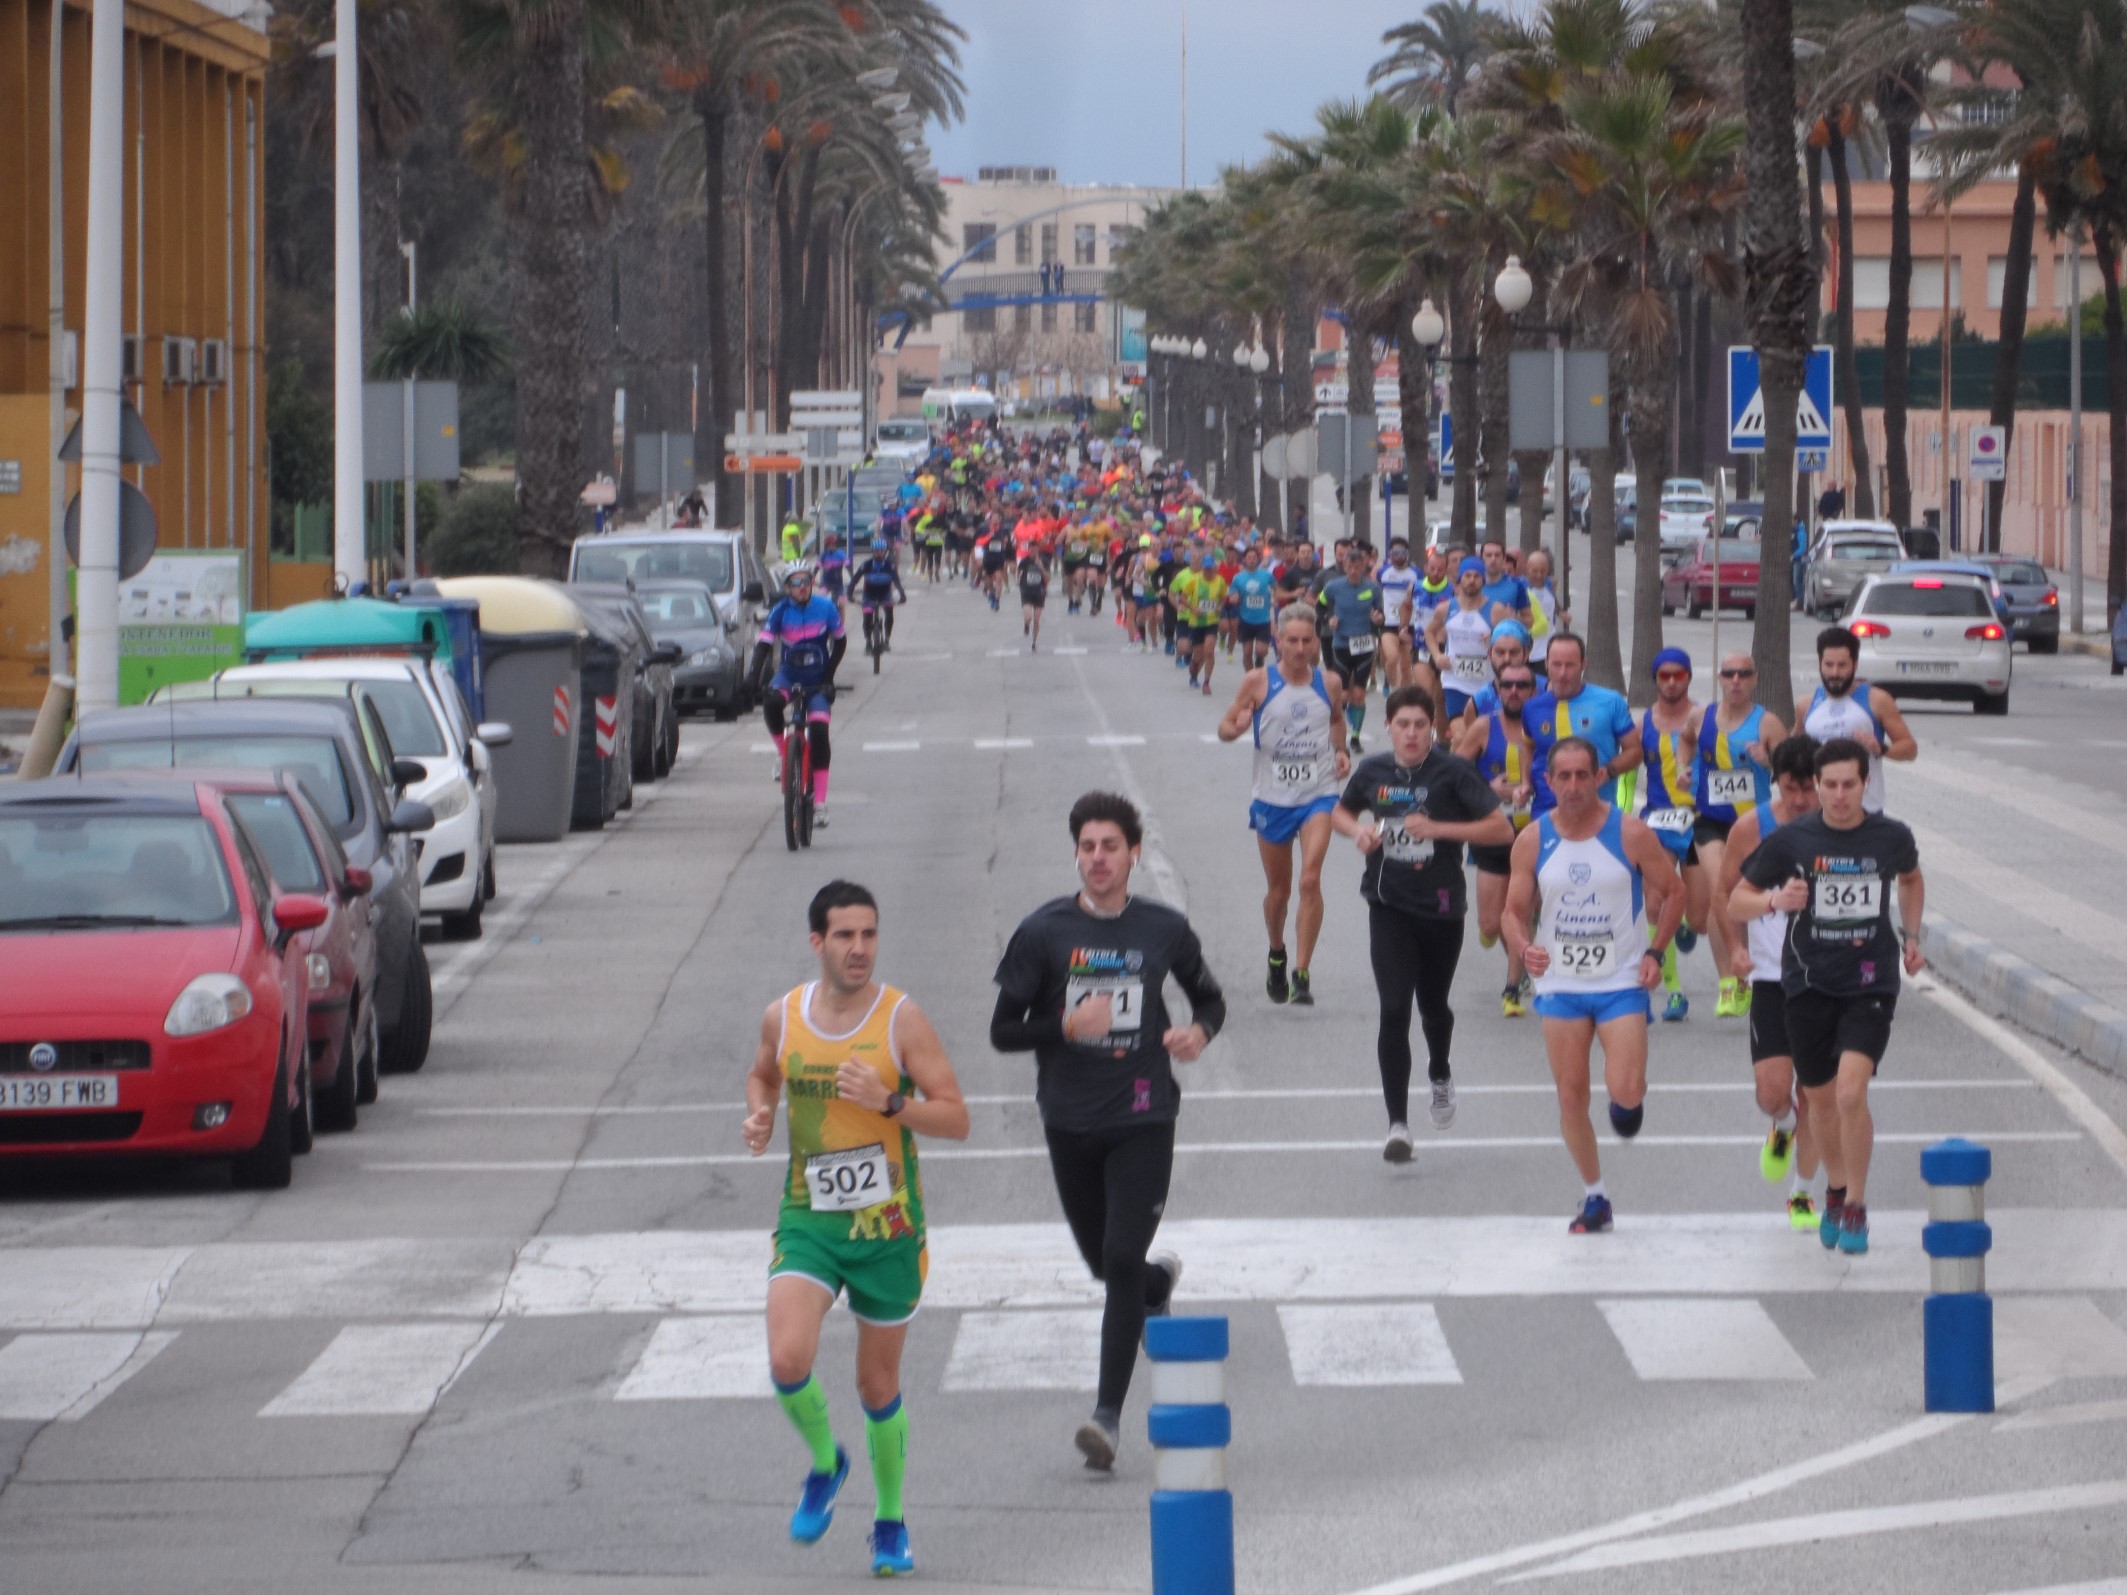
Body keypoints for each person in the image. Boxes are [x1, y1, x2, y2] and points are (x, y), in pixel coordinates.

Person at [991, 793, 1226, 1471]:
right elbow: (1003, 1030)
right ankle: (1154, 1286)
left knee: (1118, 1255)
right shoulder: (1043, 932)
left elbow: (1208, 996)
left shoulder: (1163, 928)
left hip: (1144, 1111)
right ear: (1076, 853)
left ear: (1134, 853)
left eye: (1110, 846)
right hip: (1068, 1116)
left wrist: (1198, 1031)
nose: (1098, 858)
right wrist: (1063, 1026)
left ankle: (1106, 1418)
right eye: (1087, 846)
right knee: (1107, 1265)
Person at [743, 880, 970, 1578]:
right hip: (810, 1215)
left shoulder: (901, 1019)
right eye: (844, 935)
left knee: (877, 1386)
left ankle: (890, 1521)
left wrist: (890, 1100)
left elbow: (956, 1117)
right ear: (818, 942)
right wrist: (758, 1114)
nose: (859, 949)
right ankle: (824, 1461)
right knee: (787, 1358)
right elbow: (762, 1076)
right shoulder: (782, 1015)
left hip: (888, 1226)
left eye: (869, 934)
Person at [1730, 738, 1925, 1257]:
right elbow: (1736, 901)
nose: (1839, 795)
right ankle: (1835, 1187)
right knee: (1818, 1101)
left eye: (1849, 785)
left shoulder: (1891, 837)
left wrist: (1912, 937)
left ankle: (1856, 1202)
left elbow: (1910, 879)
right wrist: (1774, 898)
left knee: (1849, 1094)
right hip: (1807, 984)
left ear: (1865, 783)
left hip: (1869, 982)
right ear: (1817, 786)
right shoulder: (1793, 840)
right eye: (1830, 785)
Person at [1503, 737, 1684, 1233]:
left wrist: (1655, 952)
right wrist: (1524, 947)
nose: (1574, 785)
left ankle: (1627, 1100)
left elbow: (1674, 892)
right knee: (1569, 1096)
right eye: (1564, 776)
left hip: (1621, 979)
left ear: (1599, 777)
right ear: (1549, 781)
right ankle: (1595, 1195)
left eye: (1584, 775)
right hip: (1560, 982)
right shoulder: (1533, 840)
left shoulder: (1630, 833)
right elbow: (1513, 913)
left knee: (1625, 1091)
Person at [1334, 686, 1514, 1158]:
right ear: (1389, 726)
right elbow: (1340, 810)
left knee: (1433, 1007)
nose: (1411, 733)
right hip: (1387, 902)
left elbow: (1501, 828)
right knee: (1394, 1009)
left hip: (1440, 906)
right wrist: (1360, 832)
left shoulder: (1453, 772)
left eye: (1420, 725)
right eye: (1403, 724)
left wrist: (1439, 829)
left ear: (1433, 729)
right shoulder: (1373, 770)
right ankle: (1397, 1125)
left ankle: (1439, 1070)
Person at [1714, 733, 1826, 1231]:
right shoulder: (1751, 828)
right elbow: (1727, 893)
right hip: (1772, 976)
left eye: (1809, 787)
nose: (1800, 799)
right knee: (1772, 1092)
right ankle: (1781, 1127)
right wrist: (1737, 947)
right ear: (1774, 782)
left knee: (1818, 1096)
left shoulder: (1842, 829)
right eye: (1789, 787)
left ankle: (1802, 1194)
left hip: (1828, 981)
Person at [1219, 604, 1349, 1008]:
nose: (1299, 648)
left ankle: (1302, 972)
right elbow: (1224, 727)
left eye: (1306, 641)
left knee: (1310, 879)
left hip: (1318, 793)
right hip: (1272, 797)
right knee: (1279, 891)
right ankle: (1277, 951)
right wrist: (1236, 728)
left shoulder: (1328, 683)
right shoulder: (1258, 682)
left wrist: (1341, 751)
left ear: (1315, 644)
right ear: (1278, 641)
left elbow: (1337, 719)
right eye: (1291, 640)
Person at [1694, 653, 1787, 1018]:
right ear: (1719, 678)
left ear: (1754, 679)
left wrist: (1768, 762)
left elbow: (1791, 773)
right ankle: (1728, 982)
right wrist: (1688, 772)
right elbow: (1689, 745)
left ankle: (1749, 966)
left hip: (1753, 824)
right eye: (1729, 674)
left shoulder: (1768, 723)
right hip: (1711, 822)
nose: (1736, 680)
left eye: (1743, 674)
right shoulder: (1700, 717)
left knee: (1741, 896)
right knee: (1722, 889)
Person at [1453, 662, 1538, 1017]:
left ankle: (1512, 988)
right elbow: (1455, 771)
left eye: (1522, 685)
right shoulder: (1484, 727)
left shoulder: (1544, 727)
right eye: (1507, 685)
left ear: (1534, 690)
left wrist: (1532, 787)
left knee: (1518, 911)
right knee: (1491, 924)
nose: (1514, 691)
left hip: (1531, 833)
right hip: (1493, 832)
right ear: (1498, 689)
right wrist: (1488, 789)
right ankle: (1505, 948)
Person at [1637, 648, 1715, 1024]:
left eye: (1678, 675)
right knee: (1655, 903)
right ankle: (1673, 992)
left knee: (1701, 919)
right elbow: (1626, 769)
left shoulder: (1704, 719)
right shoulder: (1643, 724)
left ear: (1687, 677)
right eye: (1664, 675)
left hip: (1699, 820)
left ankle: (1684, 923)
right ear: (1655, 679)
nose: (1671, 682)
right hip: (1658, 821)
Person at [751, 566, 847, 829]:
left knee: (818, 731)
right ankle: (784, 754)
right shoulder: (781, 610)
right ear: (787, 587)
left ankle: (820, 805)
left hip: (817, 679)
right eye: (795, 583)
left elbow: (840, 641)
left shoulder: (825, 607)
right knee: (771, 702)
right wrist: (751, 679)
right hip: (788, 675)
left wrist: (829, 677)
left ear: (812, 583)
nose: (802, 587)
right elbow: (763, 646)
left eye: (806, 581)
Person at [1802, 628, 1916, 815]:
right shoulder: (1806, 704)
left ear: (1855, 664)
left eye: (1842, 665)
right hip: (1819, 814)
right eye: (1828, 665)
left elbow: (1910, 749)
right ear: (1819, 663)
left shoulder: (1877, 700)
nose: (1835, 673)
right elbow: (1793, 753)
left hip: (1866, 811)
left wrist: (1881, 748)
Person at [1526, 633, 1641, 817]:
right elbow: (1527, 747)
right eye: (1557, 664)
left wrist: (1607, 772)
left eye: (1570, 665)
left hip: (1597, 813)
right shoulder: (1532, 708)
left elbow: (1634, 751)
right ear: (1546, 664)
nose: (1563, 673)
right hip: (1546, 814)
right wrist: (1525, 782)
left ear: (1583, 664)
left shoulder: (1610, 701)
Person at [1315, 544, 1385, 753]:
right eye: (1350, 566)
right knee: (1343, 695)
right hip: (1341, 645)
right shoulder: (1333, 587)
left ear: (1364, 566)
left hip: (1364, 645)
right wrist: (1329, 619)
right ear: (1344, 566)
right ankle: (1338, 732)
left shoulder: (1372, 588)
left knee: (1358, 695)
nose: (1354, 571)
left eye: (1358, 566)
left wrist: (1377, 619)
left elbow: (1380, 614)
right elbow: (1319, 607)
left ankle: (1355, 737)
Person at [1428, 557, 1508, 722]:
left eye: (1477, 576)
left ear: (1483, 580)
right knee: (1459, 733)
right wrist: (1437, 656)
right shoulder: (1446, 608)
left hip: (1486, 682)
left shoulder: (1496, 610)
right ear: (1460, 579)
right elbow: (1429, 632)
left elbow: (1509, 640)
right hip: (1454, 681)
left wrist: (1495, 638)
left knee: (1482, 731)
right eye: (1468, 575)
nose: (1472, 580)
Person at [1376, 539, 1421, 692]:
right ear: (1390, 554)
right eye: (1395, 553)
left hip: (1410, 623)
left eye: (1402, 553)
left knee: (1406, 666)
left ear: (1407, 554)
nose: (1398, 556)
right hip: (1389, 622)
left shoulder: (1416, 574)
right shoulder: (1383, 572)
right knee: (1392, 657)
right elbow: (1376, 592)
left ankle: (1405, 696)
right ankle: (1392, 685)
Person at [1229, 545, 1279, 671]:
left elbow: (1276, 589)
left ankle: (1260, 659)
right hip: (1246, 619)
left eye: (1254, 557)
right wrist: (1234, 598)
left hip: (1263, 619)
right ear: (1244, 560)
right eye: (1249, 557)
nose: (1251, 560)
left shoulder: (1266, 575)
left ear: (1258, 559)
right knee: (1247, 652)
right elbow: (1232, 594)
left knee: (1262, 651)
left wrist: (1275, 599)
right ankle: (1251, 678)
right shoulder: (1238, 578)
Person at [855, 538, 906, 655]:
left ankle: (887, 640)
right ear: (872, 552)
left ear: (885, 551)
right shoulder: (866, 565)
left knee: (889, 613)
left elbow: (897, 582)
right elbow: (854, 581)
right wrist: (850, 595)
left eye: (881, 551)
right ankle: (868, 642)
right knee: (867, 617)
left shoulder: (890, 565)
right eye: (876, 551)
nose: (879, 553)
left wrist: (902, 596)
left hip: (885, 594)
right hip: (869, 595)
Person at [1523, 548, 1562, 678]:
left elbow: (1552, 602)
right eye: (1535, 571)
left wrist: (1561, 613)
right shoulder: (1520, 588)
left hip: (1546, 651)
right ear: (1527, 569)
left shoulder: (1549, 585)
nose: (1539, 575)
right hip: (1527, 651)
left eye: (1543, 571)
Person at [1479, 539, 1532, 627]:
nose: (1493, 559)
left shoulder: (1516, 585)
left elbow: (1529, 621)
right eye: (1489, 555)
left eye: (1497, 555)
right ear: (1481, 559)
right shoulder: (1471, 584)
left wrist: (1514, 619)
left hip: (1504, 638)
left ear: (1504, 559)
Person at [1018, 545, 1050, 651]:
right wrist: (1018, 580)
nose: (1033, 552)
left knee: (1036, 619)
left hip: (1039, 592)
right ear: (1029, 550)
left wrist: (1041, 567)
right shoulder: (1025, 561)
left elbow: (1047, 578)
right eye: (1031, 550)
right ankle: (1026, 624)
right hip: (1026, 591)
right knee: (1028, 616)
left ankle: (1034, 642)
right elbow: (1018, 570)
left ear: (1038, 550)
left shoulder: (1044, 560)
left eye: (1035, 550)